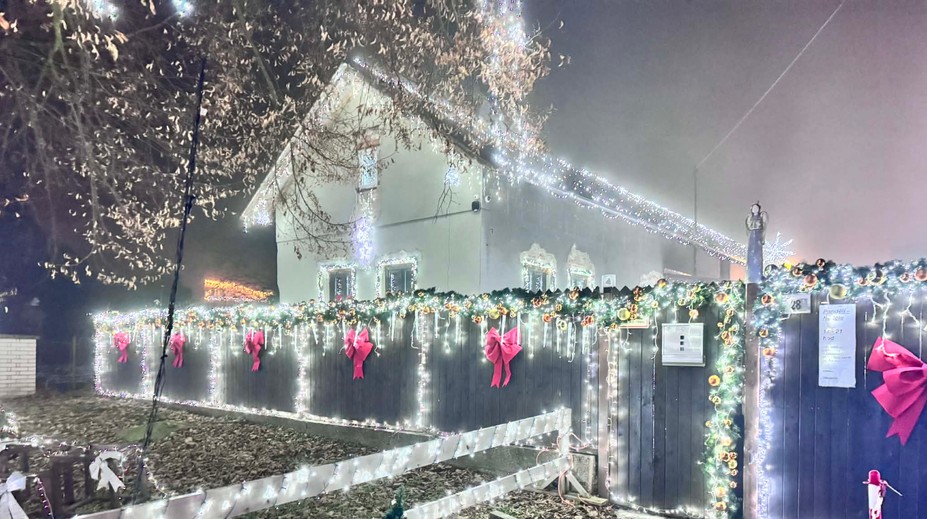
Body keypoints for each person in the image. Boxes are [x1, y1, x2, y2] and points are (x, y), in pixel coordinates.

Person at [745, 202, 768, 283]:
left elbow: (764, 227)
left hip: (758, 235)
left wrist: (762, 238)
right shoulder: (749, 217)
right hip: (752, 237)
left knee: (757, 255)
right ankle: (750, 277)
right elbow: (747, 227)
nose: (755, 209)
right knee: (751, 254)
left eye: (757, 208)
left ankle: (757, 277)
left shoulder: (761, 217)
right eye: (754, 208)